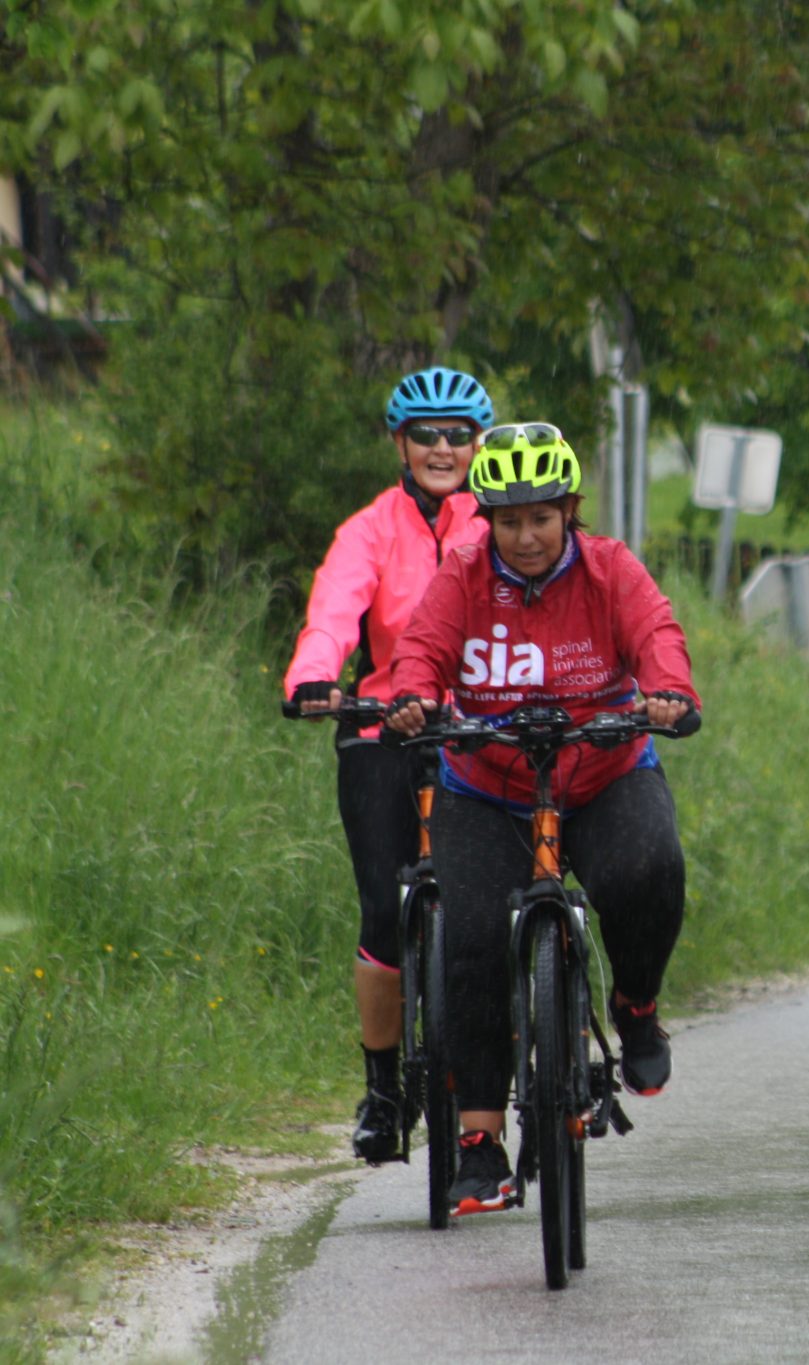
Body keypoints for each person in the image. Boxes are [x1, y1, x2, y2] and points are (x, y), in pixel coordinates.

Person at [383, 422, 699, 1215]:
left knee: (650, 867)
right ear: (487, 519)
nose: (525, 537)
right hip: (486, 784)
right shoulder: (462, 576)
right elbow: (422, 649)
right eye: (509, 521)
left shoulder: (610, 568)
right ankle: (480, 1141)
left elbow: (657, 634)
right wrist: (415, 696)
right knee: (473, 935)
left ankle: (637, 1008)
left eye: (541, 518)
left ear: (569, 512)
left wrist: (667, 690)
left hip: (601, 768)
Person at [282, 365, 495, 1165]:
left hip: (476, 728)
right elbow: (334, 610)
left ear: (479, 444)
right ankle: (383, 1091)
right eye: (425, 434)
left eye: (458, 434)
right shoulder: (368, 530)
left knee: (494, 903)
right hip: (380, 727)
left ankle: (522, 1038)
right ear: (399, 444)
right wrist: (314, 675)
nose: (443, 448)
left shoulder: (497, 524)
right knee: (382, 908)